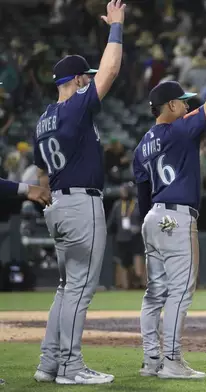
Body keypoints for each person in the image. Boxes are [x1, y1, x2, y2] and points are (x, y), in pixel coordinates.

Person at [133, 36, 206, 380]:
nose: (185, 105)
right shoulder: (179, 131)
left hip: (152, 218)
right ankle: (172, 361)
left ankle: (152, 361)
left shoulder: (141, 147)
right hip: (177, 217)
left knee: (155, 294)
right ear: (169, 106)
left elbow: (141, 194)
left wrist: (150, 224)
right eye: (180, 101)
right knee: (180, 291)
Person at [32, 0, 125, 385]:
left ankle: (49, 363)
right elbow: (112, 69)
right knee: (81, 290)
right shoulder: (74, 107)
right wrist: (116, 27)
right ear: (76, 80)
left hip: (57, 202)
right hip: (79, 203)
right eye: (84, 77)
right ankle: (70, 366)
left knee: (65, 287)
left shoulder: (42, 119)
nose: (89, 80)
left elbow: (40, 168)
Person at [106, 182, 145, 289]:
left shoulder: (138, 204)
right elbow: (111, 223)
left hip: (136, 238)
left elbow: (144, 220)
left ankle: (141, 283)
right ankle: (126, 286)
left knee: (138, 259)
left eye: (125, 190)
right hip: (121, 239)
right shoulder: (117, 205)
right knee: (123, 264)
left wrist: (139, 228)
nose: (123, 192)